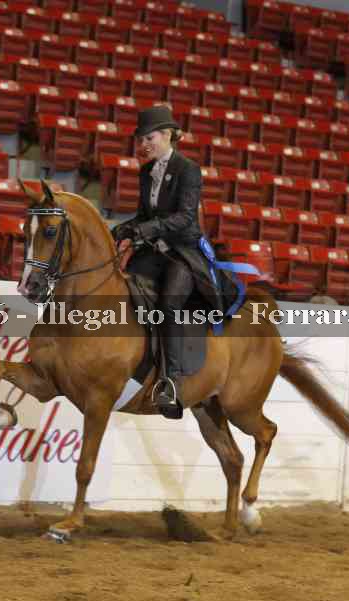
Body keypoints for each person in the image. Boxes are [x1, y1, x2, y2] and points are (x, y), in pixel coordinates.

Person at [110, 106, 211, 417]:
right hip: (155, 252)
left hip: (183, 253)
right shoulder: (146, 172)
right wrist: (123, 228)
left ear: (167, 135)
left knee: (168, 304)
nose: (143, 144)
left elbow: (185, 218)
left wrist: (146, 229)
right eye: (141, 139)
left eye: (149, 138)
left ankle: (171, 381)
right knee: (121, 286)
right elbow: (144, 215)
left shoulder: (188, 170)